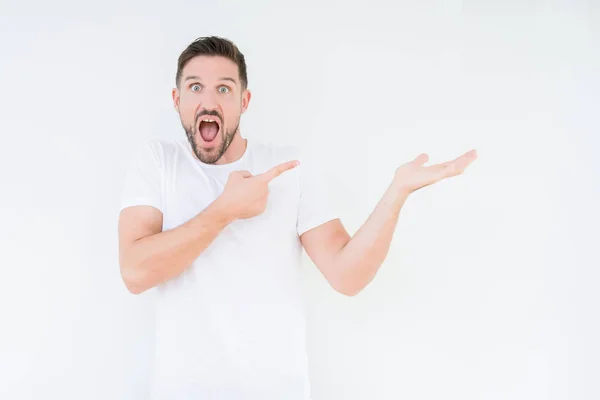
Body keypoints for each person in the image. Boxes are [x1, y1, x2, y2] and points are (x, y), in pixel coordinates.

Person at [117, 36, 477, 400]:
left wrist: (397, 192)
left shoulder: (289, 169)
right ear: (177, 100)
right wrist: (225, 211)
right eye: (195, 87)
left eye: (224, 89)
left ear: (244, 101)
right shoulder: (158, 162)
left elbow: (347, 276)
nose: (208, 101)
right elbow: (134, 272)